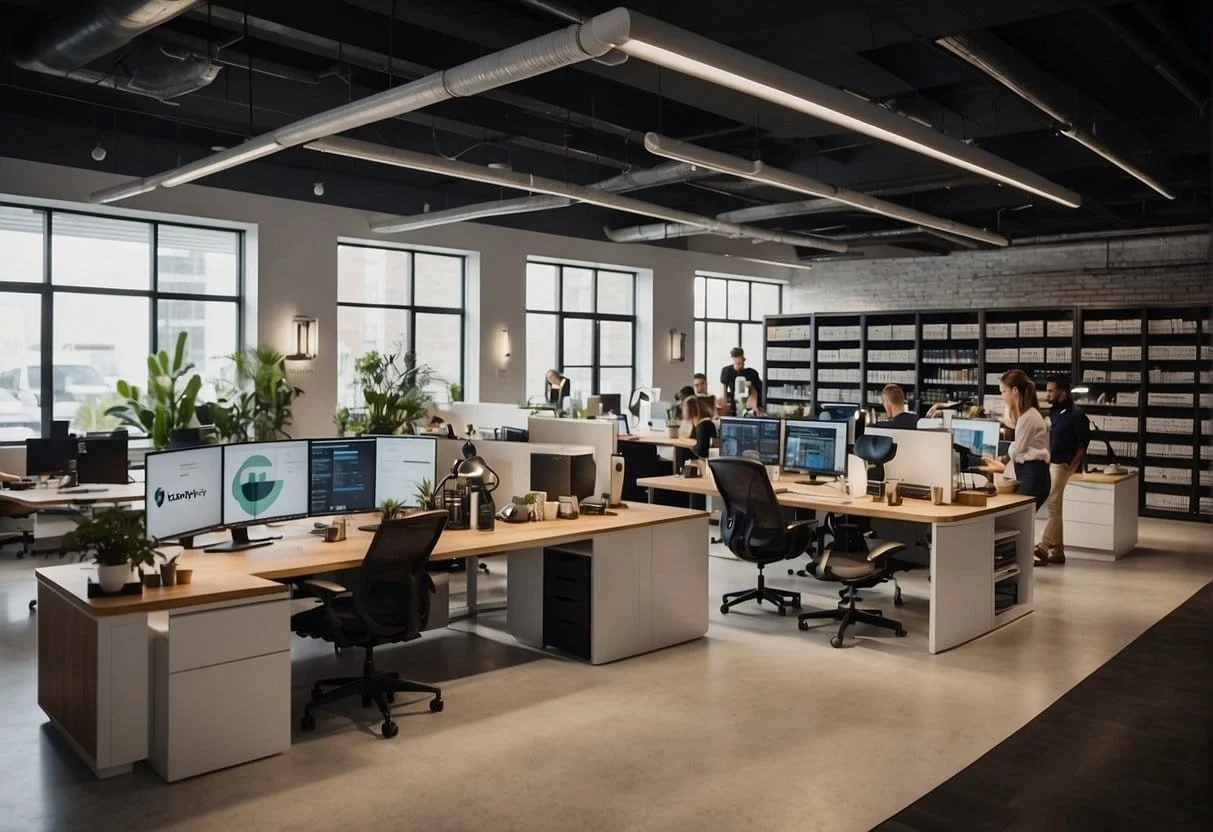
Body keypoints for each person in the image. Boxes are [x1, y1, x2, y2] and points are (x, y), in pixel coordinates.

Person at [979, 370, 1051, 563]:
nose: (1002, 396)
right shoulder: (1027, 415)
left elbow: (1017, 451)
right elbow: (1020, 451)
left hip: (1034, 477)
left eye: (1003, 392)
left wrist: (1008, 453)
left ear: (1015, 391)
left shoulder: (1028, 418)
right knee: (1021, 521)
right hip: (1032, 474)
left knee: (1016, 520)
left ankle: (1016, 562)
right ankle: (1018, 560)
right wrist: (1003, 466)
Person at [1040, 375, 1090, 565]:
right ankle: (1058, 552)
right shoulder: (1054, 413)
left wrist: (1074, 462)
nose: (1048, 394)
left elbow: (1083, 442)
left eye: (1051, 391)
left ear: (1063, 392)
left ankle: (1043, 547)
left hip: (1064, 464)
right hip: (1052, 462)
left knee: (1052, 504)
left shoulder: (1076, 415)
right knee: (1056, 508)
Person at [719, 347, 762, 416]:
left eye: (742, 363)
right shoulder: (727, 371)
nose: (740, 366)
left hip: (749, 404)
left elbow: (754, 391)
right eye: (738, 363)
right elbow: (724, 392)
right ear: (733, 360)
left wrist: (755, 407)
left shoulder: (750, 373)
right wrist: (724, 408)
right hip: (734, 403)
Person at [681, 395, 717, 460]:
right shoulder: (702, 423)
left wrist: (690, 448)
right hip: (705, 457)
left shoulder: (703, 426)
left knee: (683, 451)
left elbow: (702, 452)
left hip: (703, 461)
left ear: (690, 409)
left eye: (684, 408)